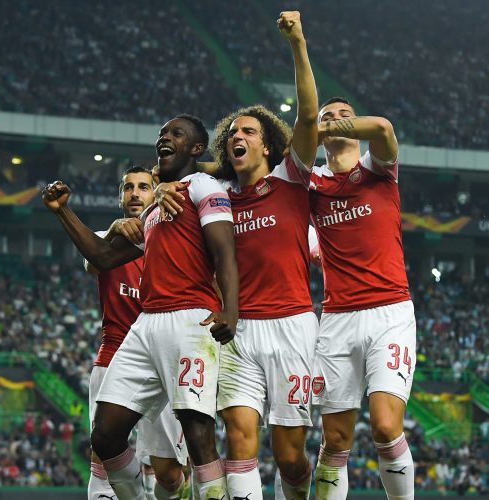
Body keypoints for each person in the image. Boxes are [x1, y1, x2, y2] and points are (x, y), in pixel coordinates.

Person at [156, 12, 319, 500]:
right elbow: (175, 170)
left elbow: (308, 117)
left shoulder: (291, 178)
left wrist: (297, 43)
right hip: (237, 328)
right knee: (239, 443)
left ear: (267, 144)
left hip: (292, 327)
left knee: (289, 457)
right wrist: (158, 189)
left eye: (247, 131)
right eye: (231, 134)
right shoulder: (217, 192)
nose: (237, 137)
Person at [42, 113, 239, 500]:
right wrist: (63, 211)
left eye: (177, 134)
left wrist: (231, 309)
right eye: (162, 133)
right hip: (145, 325)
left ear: (196, 148)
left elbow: (224, 250)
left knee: (198, 434)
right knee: (104, 435)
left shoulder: (203, 186)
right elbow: (102, 256)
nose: (165, 137)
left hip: (190, 321)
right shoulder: (152, 212)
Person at [309, 97, 416, 500]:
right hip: (337, 319)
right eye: (326, 117)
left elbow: (384, 128)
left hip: (390, 313)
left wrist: (317, 126)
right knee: (335, 439)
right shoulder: (311, 183)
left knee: (386, 426)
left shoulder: (377, 168)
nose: (335, 121)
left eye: (343, 116)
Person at [84, 166, 189, 500]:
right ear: (120, 197)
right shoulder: (104, 241)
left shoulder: (172, 241)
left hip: (162, 361)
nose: (135, 193)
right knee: (102, 457)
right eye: (128, 187)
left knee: (169, 474)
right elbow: (92, 262)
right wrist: (114, 230)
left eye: (144, 186)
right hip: (112, 355)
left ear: (156, 193)